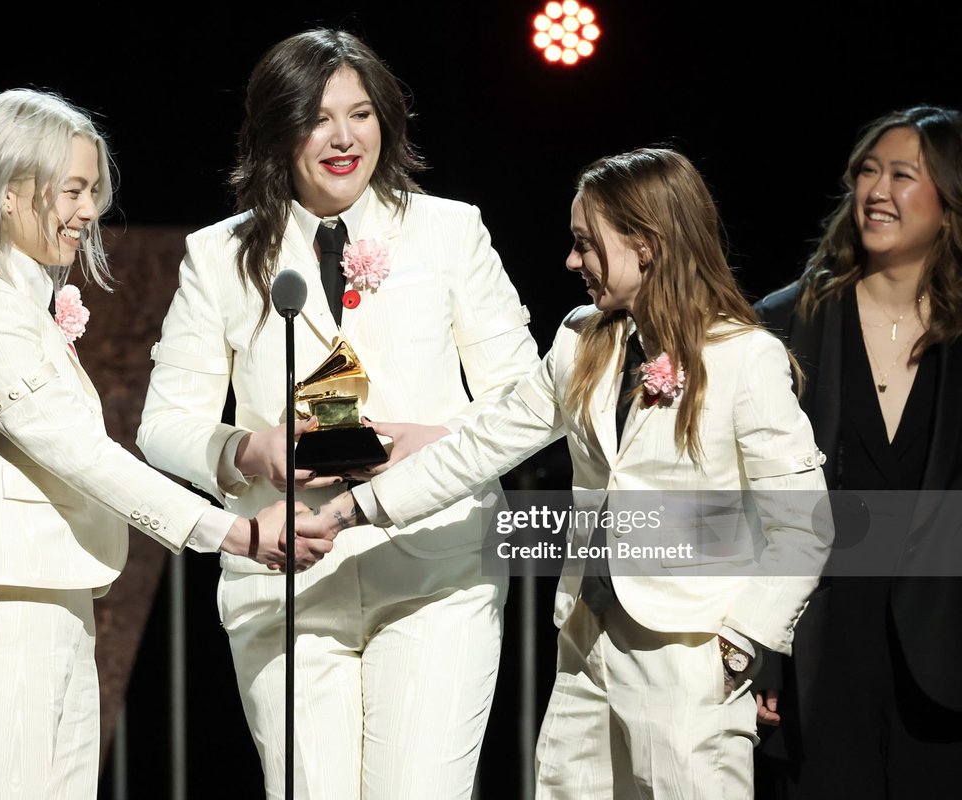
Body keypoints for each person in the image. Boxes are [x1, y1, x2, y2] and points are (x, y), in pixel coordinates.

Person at [297, 147, 833, 799]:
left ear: (648, 244)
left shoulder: (745, 358)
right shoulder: (583, 340)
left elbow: (804, 521)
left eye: (586, 244)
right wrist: (350, 511)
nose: (571, 262)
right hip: (587, 640)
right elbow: (480, 447)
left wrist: (745, 641)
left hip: (688, 652)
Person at [136, 29, 539, 799]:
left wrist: (418, 444)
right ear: (276, 129)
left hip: (435, 569)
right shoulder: (218, 255)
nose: (344, 137)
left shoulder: (450, 231)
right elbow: (163, 425)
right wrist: (252, 451)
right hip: (288, 574)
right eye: (318, 118)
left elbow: (522, 402)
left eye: (361, 114)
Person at [0, 88, 324, 799]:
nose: (89, 211)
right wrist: (236, 533)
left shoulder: (13, 303)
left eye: (92, 191)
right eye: (73, 190)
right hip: (0, 614)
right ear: (11, 192)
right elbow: (81, 454)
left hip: (53, 600)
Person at [754, 105, 962, 798]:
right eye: (867, 172)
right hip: (823, 644)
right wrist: (763, 653)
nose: (877, 191)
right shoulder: (785, 324)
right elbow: (751, 501)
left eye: (903, 175)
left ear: (950, 198)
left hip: (946, 651)